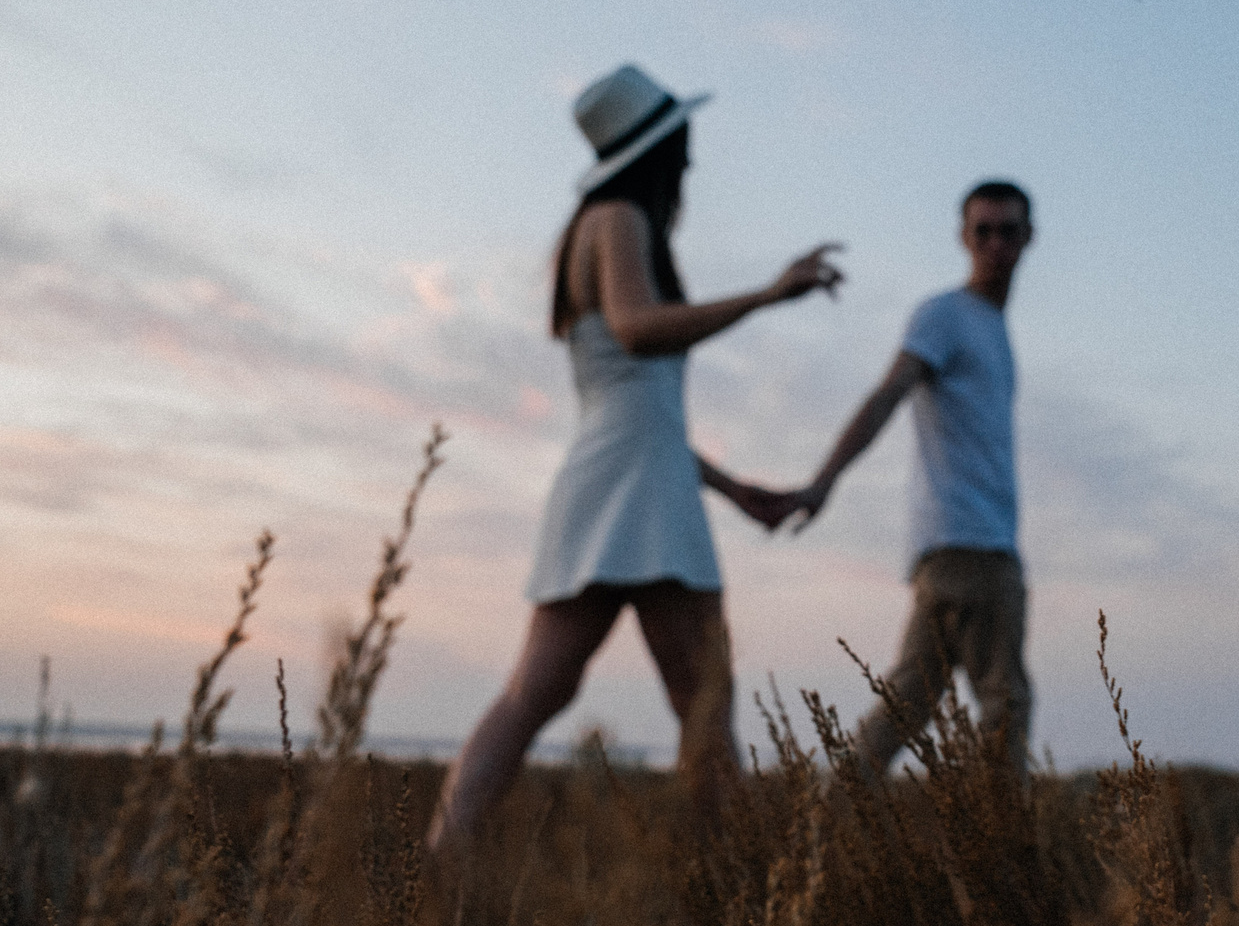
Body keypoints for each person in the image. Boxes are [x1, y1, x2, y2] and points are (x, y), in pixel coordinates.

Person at [425, 65, 840, 851]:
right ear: (658, 151)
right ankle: (731, 884)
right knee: (702, 704)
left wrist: (733, 488)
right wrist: (767, 295)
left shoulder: (597, 224)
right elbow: (638, 329)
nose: (691, 160)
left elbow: (641, 413)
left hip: (617, 477)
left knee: (536, 694)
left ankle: (440, 865)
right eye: (682, 143)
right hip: (642, 487)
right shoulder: (618, 216)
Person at [788, 180, 1034, 779]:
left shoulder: (992, 327)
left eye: (1007, 231)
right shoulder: (946, 316)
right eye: (983, 231)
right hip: (971, 545)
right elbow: (889, 393)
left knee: (907, 704)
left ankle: (824, 824)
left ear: (1028, 237)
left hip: (953, 549)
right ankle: (1004, 841)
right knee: (1005, 703)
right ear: (962, 238)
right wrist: (824, 481)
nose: (995, 244)